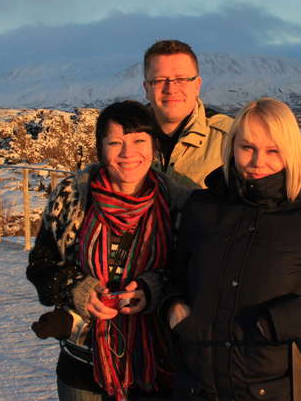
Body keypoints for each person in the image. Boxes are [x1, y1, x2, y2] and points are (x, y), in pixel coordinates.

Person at [167, 97, 301, 400]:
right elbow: (175, 277)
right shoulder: (203, 208)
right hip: (196, 387)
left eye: (273, 151)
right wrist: (174, 306)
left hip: (271, 390)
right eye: (247, 148)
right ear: (231, 145)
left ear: (292, 153)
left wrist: (282, 321)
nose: (258, 162)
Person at [27, 101, 187, 401]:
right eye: (116, 143)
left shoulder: (176, 202)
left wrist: (152, 289)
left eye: (139, 141)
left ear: (153, 146)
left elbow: (189, 275)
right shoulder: (73, 194)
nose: (128, 154)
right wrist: (79, 290)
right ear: (100, 148)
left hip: (155, 364)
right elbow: (41, 265)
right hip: (83, 360)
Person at [142, 40, 232, 189]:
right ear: (146, 88)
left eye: (181, 79)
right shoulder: (124, 140)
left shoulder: (231, 140)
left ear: (197, 85)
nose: (171, 89)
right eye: (159, 80)